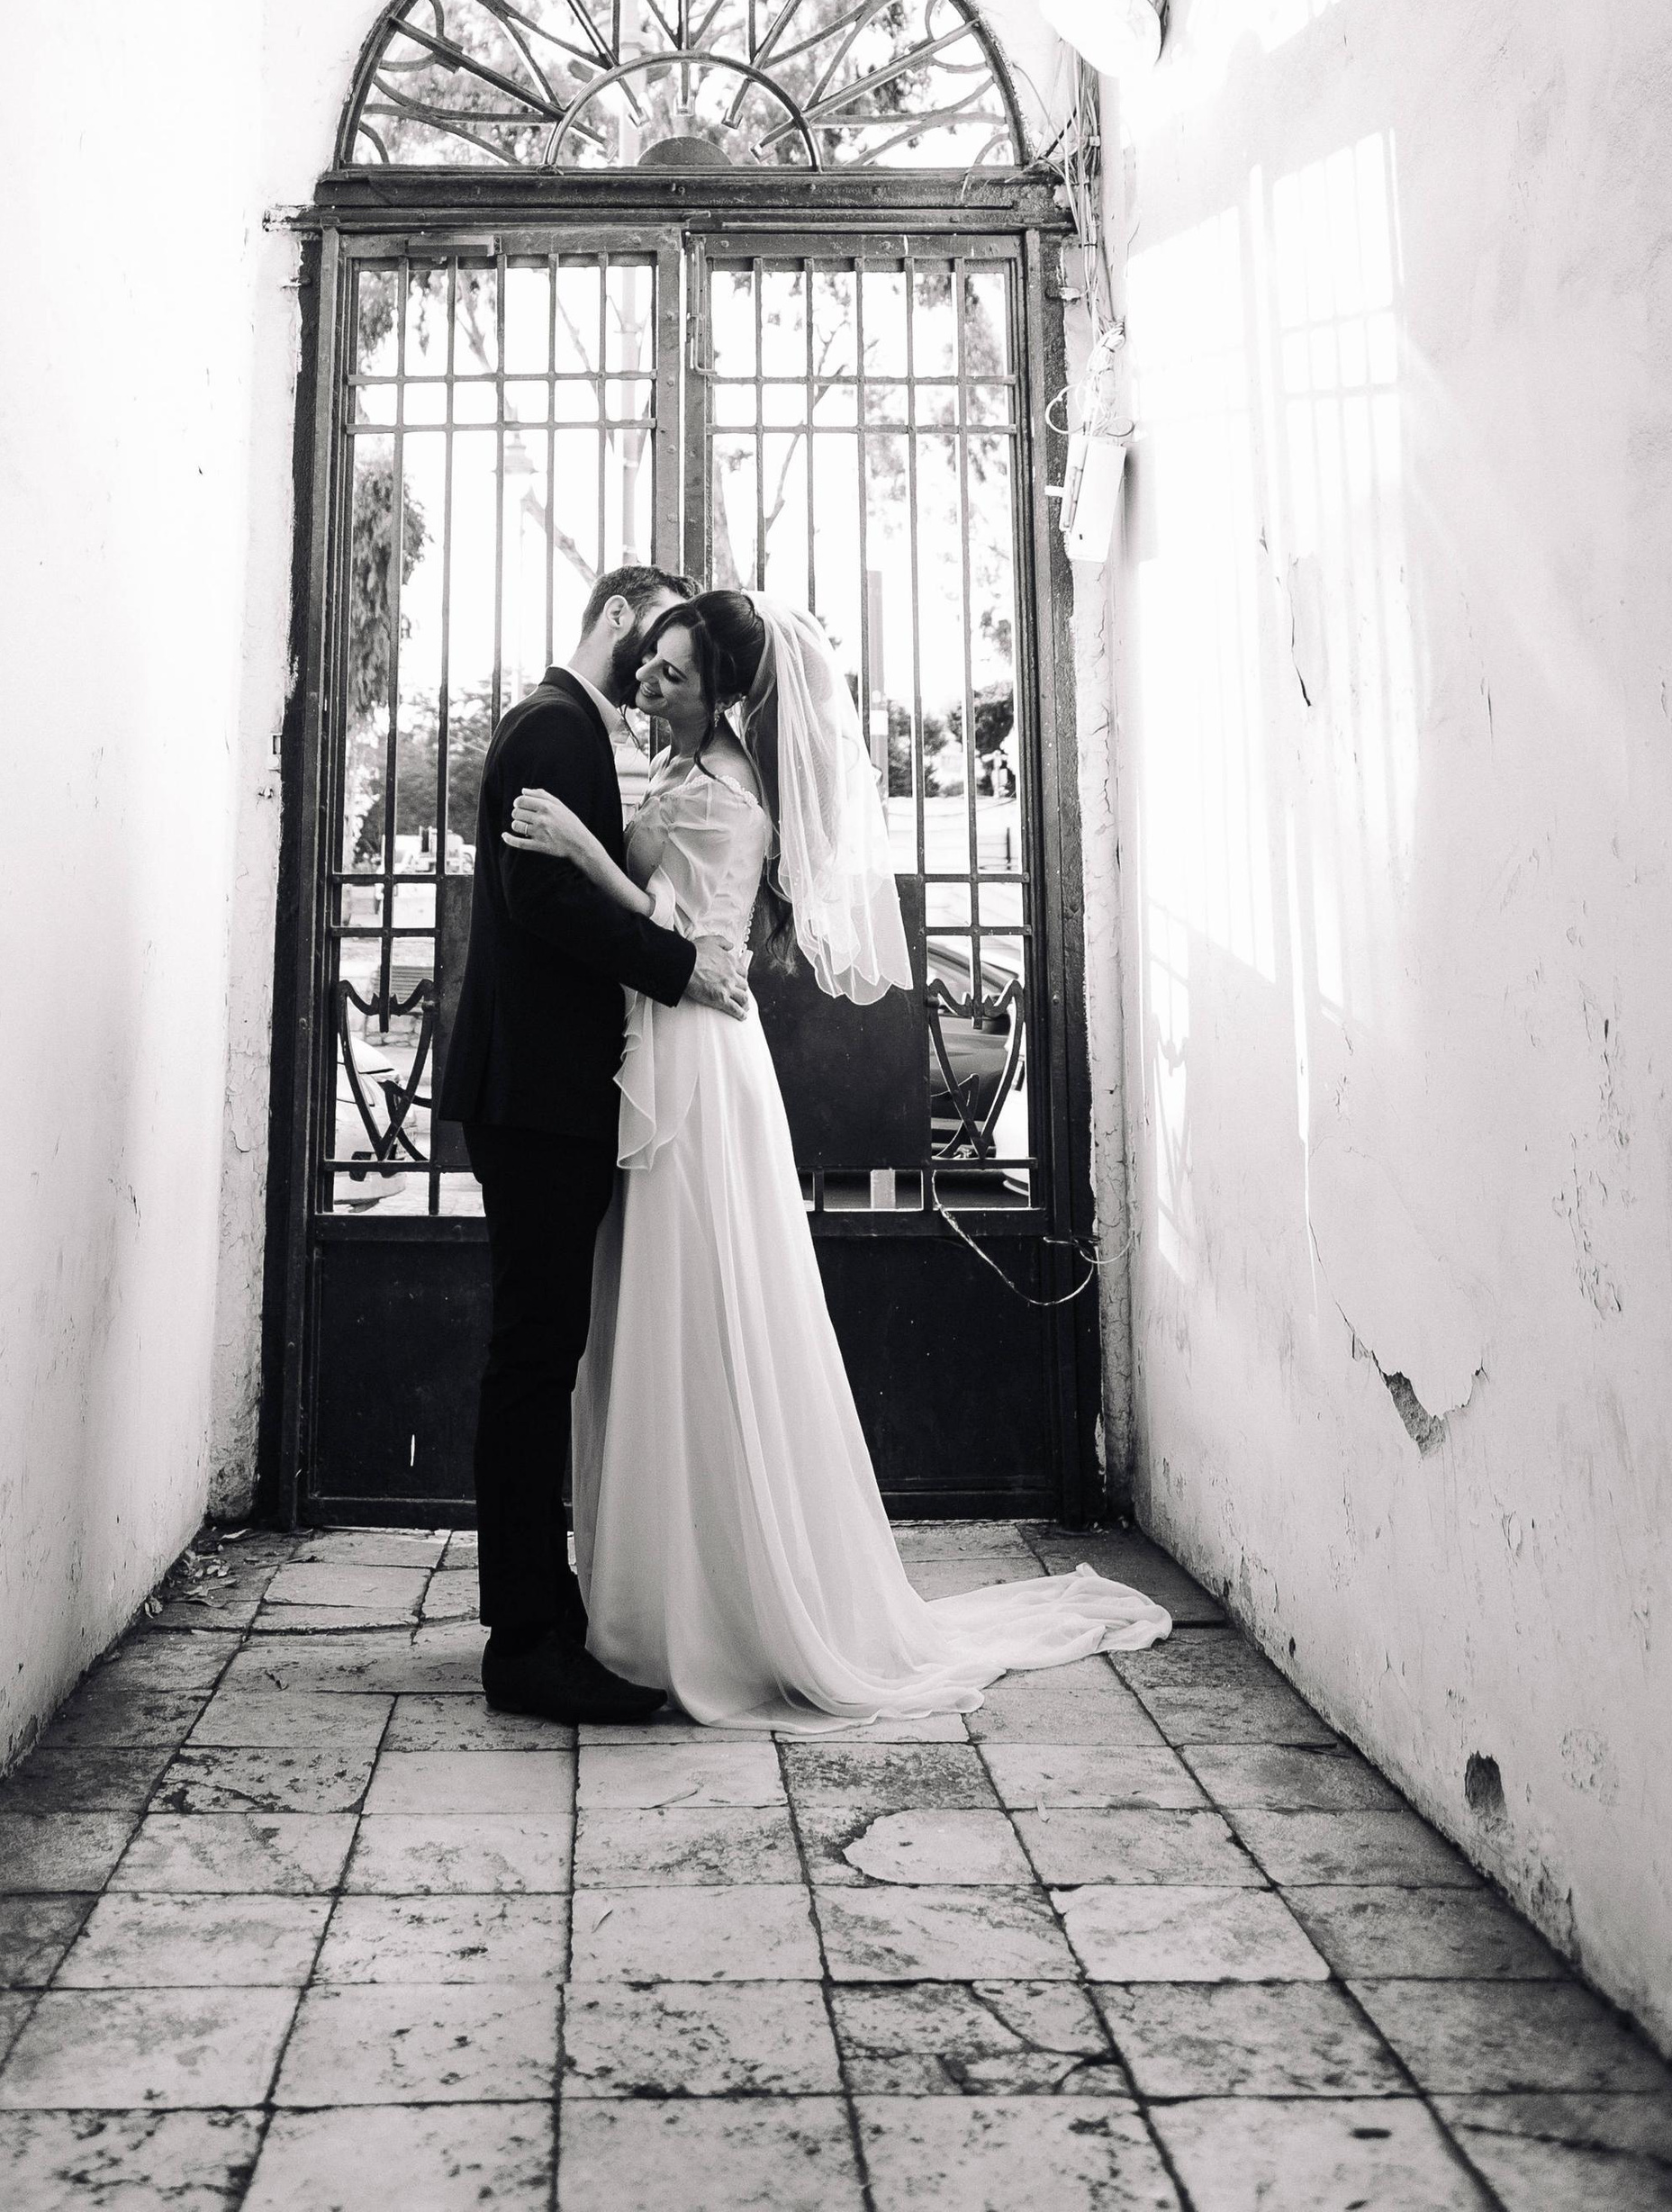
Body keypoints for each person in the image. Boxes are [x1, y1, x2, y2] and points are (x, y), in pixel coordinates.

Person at [502, 587, 1171, 1721]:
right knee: (650, 1317)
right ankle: (652, 1591)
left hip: (700, 1075)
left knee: (698, 1312)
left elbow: (692, 949)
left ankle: (718, 1603)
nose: (651, 683)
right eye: (650, 664)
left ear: (723, 694)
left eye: (671, 671)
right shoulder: (673, 774)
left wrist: (579, 845)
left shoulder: (726, 799)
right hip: (658, 1056)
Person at [438, 563, 751, 1728]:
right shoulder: (553, 729)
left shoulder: (565, 729)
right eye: (653, 644)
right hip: (535, 1097)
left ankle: (546, 1613)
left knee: (545, 1349)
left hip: (555, 1095)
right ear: (617, 618)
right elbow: (545, 906)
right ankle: (525, 1640)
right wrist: (679, 966)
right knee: (534, 1355)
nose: (655, 675)